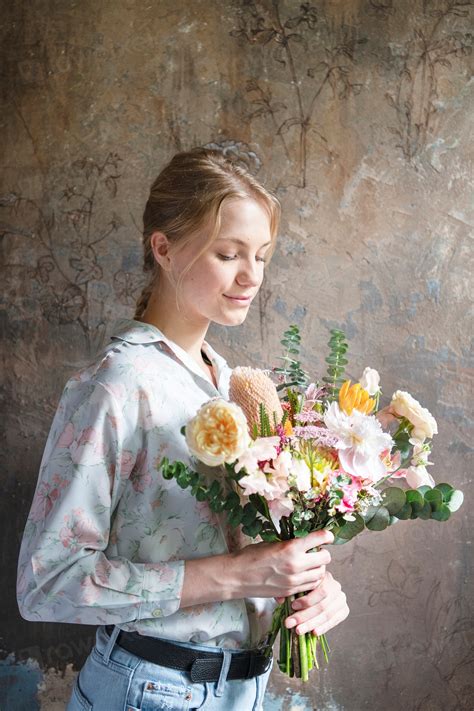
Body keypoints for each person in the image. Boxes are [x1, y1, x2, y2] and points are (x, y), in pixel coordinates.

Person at [17, 147, 349, 710]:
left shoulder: (231, 384)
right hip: (151, 690)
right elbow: (46, 583)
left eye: (262, 256)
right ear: (164, 248)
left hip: (243, 687)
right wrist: (241, 575)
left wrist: (308, 587)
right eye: (228, 254)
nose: (251, 276)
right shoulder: (116, 386)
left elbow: (247, 549)